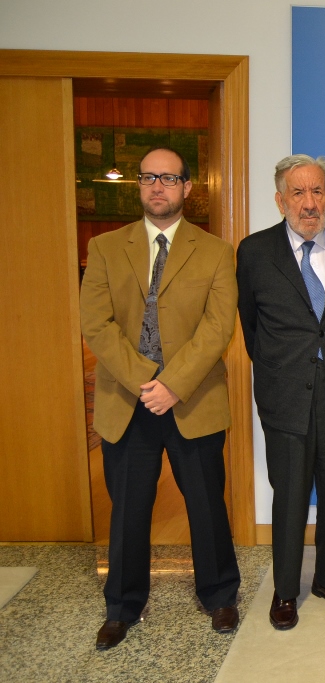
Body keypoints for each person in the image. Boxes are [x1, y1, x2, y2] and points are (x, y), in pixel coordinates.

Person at [80, 147, 241, 650]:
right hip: (127, 401)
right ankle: (123, 606)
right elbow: (97, 326)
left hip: (192, 399)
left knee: (205, 503)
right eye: (148, 177)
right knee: (128, 507)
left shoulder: (216, 251)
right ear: (139, 186)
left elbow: (219, 327)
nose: (157, 187)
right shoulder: (106, 247)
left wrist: (174, 384)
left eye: (168, 178)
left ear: (187, 188)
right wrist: (147, 381)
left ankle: (219, 595)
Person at [236, 154, 325, 629]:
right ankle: (285, 591)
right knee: (290, 495)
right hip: (285, 396)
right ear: (280, 200)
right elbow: (252, 328)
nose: (309, 203)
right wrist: (283, 366)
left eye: (318, 192)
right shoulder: (254, 252)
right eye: (299, 193)